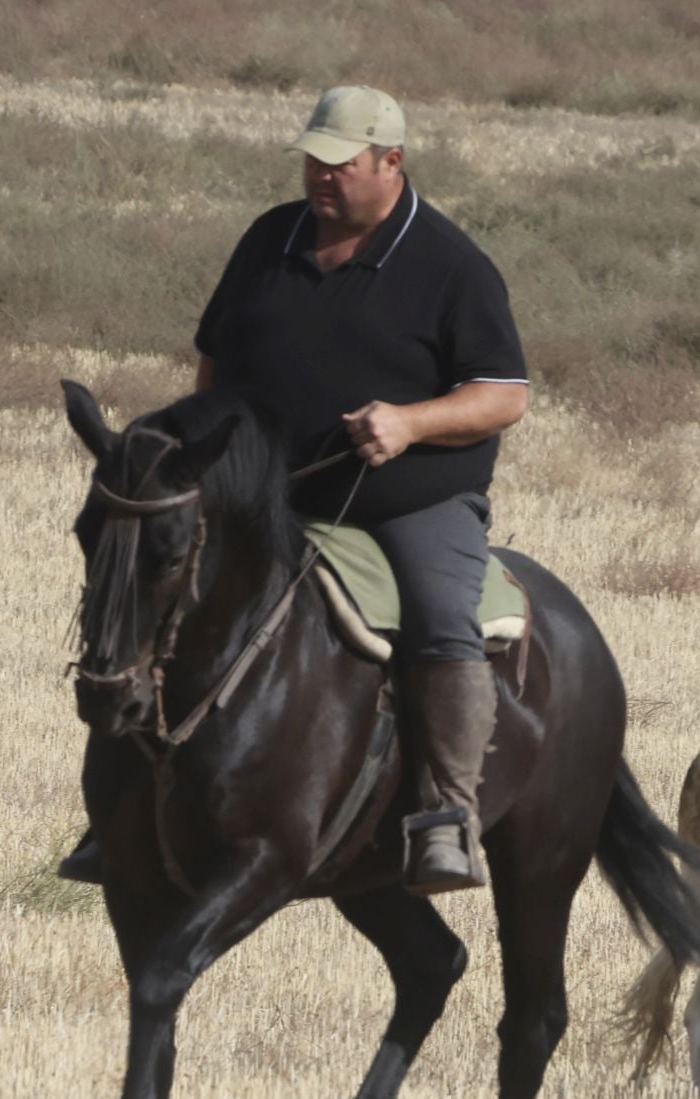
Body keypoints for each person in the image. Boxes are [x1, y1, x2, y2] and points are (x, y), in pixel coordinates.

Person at [59, 85, 528, 895]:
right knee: (163, 597)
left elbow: (504, 396)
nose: (321, 176)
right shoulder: (270, 237)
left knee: (439, 614)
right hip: (262, 495)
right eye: (314, 160)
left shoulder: (452, 266)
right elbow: (215, 363)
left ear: (391, 162)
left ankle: (447, 815)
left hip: (406, 503)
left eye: (340, 164)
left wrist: (411, 423)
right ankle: (125, 811)